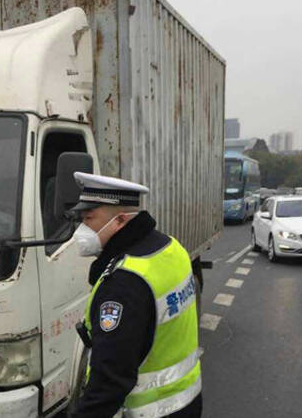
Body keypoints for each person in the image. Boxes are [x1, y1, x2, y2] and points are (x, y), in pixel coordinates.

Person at [70, 172, 202, 418]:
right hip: (188, 400)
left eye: (89, 218)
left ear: (119, 221)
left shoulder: (123, 283)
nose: (82, 228)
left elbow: (109, 381)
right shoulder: (171, 247)